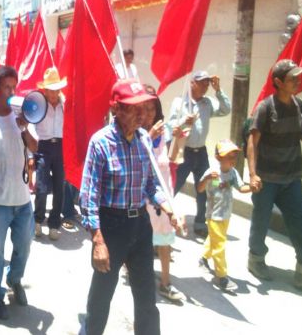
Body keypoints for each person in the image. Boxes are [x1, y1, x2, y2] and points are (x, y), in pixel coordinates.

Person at [80, 78, 176, 335]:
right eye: (134, 109)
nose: (142, 114)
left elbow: (150, 185)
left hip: (140, 227)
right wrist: (98, 241)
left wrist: (166, 206)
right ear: (116, 109)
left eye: (144, 108)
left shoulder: (144, 139)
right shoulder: (100, 143)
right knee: (101, 297)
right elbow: (88, 196)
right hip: (111, 228)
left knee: (146, 298)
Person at [0, 66, 38, 320]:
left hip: (22, 200)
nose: (12, 93)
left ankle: (15, 280)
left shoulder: (21, 117)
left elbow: (35, 148)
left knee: (23, 246)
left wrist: (24, 128)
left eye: (14, 87)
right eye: (7, 88)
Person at [246, 59, 302, 290]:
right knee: (261, 221)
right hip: (267, 178)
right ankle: (256, 259)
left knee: (300, 223)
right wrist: (252, 174)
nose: (297, 81)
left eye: (298, 76)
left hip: (292, 178)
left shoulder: (301, 106)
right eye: (292, 78)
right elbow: (252, 142)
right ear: (278, 82)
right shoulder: (266, 108)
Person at [167, 70, 231, 237]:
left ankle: (200, 222)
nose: (205, 86)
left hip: (201, 153)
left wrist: (219, 91)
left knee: (204, 186)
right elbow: (170, 125)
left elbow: (226, 110)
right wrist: (183, 121)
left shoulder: (207, 103)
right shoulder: (180, 102)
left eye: (207, 83)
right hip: (184, 152)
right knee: (173, 186)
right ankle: (164, 219)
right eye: (202, 82)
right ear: (192, 83)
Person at [141, 85, 185, 302]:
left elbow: (171, 158)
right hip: (142, 194)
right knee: (141, 238)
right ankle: (134, 271)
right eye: (144, 108)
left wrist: (178, 139)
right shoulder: (138, 133)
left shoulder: (164, 130)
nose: (149, 113)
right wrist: (148, 136)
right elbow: (139, 157)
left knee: (165, 239)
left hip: (163, 193)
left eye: (152, 108)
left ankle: (165, 282)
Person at [197, 139, 251, 291]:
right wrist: (207, 179)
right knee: (219, 245)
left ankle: (203, 258)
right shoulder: (212, 172)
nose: (232, 159)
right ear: (218, 157)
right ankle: (221, 277)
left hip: (226, 215)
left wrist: (252, 187)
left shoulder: (233, 173)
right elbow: (200, 189)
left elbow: (241, 188)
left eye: (234, 156)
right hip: (213, 216)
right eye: (229, 156)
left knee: (214, 239)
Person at [33, 67, 66, 240]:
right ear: (44, 91)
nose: (53, 94)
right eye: (49, 90)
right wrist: (31, 154)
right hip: (43, 147)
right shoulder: (39, 104)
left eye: (55, 90)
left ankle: (54, 224)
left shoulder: (64, 105)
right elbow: (31, 125)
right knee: (42, 186)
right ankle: (37, 220)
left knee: (59, 187)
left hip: (60, 147)